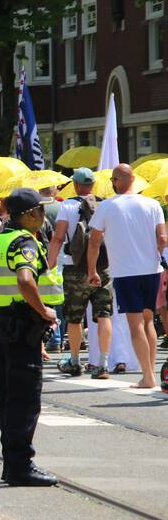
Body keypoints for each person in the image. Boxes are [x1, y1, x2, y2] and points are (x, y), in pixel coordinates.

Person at [0, 188, 59, 487]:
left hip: (1, 323)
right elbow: (25, 280)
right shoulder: (24, 242)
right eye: (40, 211)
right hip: (21, 326)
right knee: (25, 397)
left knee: (4, 394)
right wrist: (43, 311)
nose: (43, 216)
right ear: (29, 215)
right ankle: (20, 465)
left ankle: (11, 462)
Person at [87, 164, 168, 388]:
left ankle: (148, 376)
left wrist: (92, 270)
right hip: (152, 270)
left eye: (114, 179)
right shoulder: (153, 204)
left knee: (135, 325)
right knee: (149, 321)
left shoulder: (107, 206)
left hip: (126, 272)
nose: (112, 183)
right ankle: (149, 373)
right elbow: (163, 239)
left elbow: (94, 242)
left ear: (118, 180)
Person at [47, 167, 114, 378]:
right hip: (103, 267)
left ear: (75, 185)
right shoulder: (104, 204)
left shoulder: (66, 205)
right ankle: (102, 364)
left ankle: (75, 362)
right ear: (92, 185)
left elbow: (58, 238)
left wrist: (48, 264)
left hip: (74, 267)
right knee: (104, 314)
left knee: (74, 318)